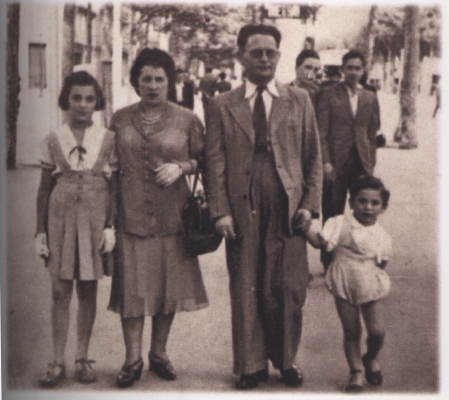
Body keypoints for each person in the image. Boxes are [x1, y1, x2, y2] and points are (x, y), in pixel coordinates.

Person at [205, 24, 322, 390]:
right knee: (247, 284)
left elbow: (313, 158)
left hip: (287, 202)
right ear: (241, 57)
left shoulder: (298, 99)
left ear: (278, 56)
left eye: (271, 52)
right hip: (242, 202)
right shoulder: (222, 104)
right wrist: (220, 211)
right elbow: (214, 162)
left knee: (286, 287)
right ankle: (251, 365)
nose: (265, 59)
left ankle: (286, 360)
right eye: (256, 52)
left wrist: (309, 206)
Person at [107, 48, 208, 388]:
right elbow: (109, 168)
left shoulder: (187, 119)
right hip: (130, 216)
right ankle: (132, 359)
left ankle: (159, 353)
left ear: (170, 82)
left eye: (159, 79)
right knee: (133, 290)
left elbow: (203, 160)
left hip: (173, 217)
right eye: (146, 78)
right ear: (136, 81)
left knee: (167, 289)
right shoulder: (119, 119)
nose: (152, 85)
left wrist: (180, 167)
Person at [35, 71, 117, 386]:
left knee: (88, 288)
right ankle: (56, 361)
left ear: (97, 103)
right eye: (76, 98)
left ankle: (82, 358)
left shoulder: (108, 139)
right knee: (59, 291)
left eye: (89, 99)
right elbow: (44, 190)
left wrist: (110, 226)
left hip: (95, 220)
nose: (83, 105)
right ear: (66, 100)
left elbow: (116, 187)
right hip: (60, 219)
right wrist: (39, 231)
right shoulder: (53, 139)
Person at [300, 175, 392, 392]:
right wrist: (305, 229)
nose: (368, 207)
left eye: (374, 203)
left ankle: (370, 358)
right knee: (352, 331)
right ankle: (356, 372)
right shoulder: (338, 223)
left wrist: (370, 278)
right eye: (362, 201)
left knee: (377, 331)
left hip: (368, 282)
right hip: (343, 281)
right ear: (351, 203)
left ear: (383, 207)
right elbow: (319, 242)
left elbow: (383, 262)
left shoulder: (382, 236)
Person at [316, 50, 380, 272]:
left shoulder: (370, 96)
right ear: (342, 69)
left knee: (364, 209)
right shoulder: (329, 94)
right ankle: (328, 261)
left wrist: (370, 159)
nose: (353, 72)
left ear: (363, 71)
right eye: (349, 67)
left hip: (361, 162)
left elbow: (372, 131)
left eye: (357, 68)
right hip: (335, 162)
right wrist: (326, 161)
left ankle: (361, 256)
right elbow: (321, 132)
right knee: (332, 211)